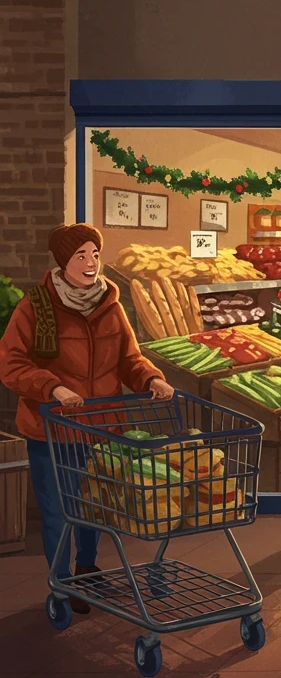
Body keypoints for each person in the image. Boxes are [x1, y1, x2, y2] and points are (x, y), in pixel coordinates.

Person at [0, 224, 175, 615]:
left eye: (95, 254)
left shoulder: (110, 305)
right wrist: (53, 388)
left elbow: (129, 358)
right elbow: (10, 363)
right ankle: (62, 580)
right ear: (64, 261)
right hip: (52, 429)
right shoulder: (36, 306)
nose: (91, 262)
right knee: (59, 508)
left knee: (93, 504)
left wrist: (151, 378)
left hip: (99, 425)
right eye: (81, 255)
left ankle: (87, 567)